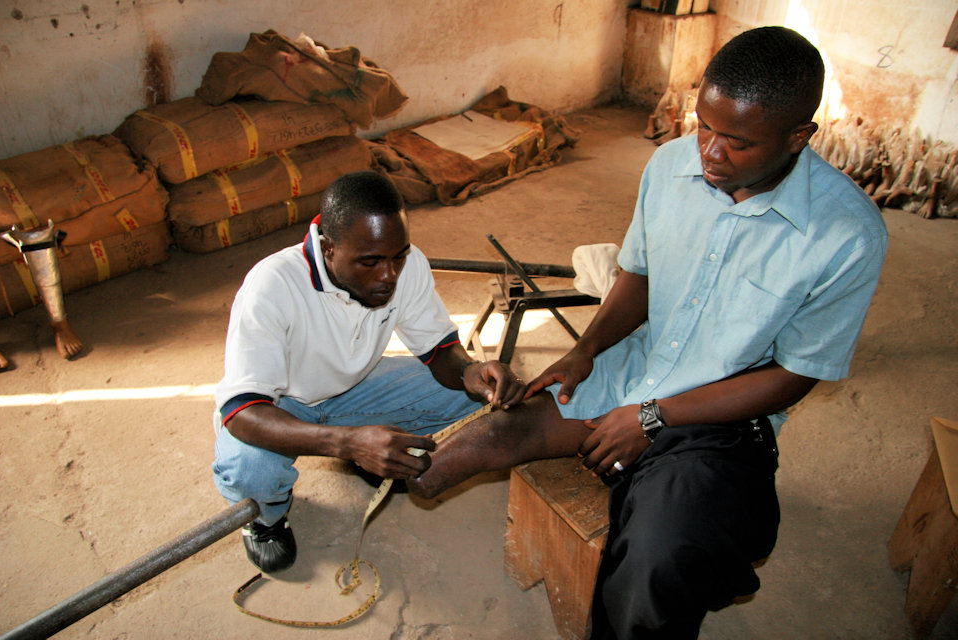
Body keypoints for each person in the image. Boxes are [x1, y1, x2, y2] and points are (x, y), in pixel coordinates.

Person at [407, 26, 888, 638]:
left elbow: (795, 375)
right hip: (640, 363)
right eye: (705, 126)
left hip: (720, 415)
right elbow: (638, 275)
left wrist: (653, 418)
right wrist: (585, 352)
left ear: (799, 137)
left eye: (735, 142)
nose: (709, 152)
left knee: (654, 568)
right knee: (485, 440)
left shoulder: (847, 235)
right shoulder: (671, 166)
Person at [212, 170, 525, 573]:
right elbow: (243, 412)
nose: (388, 275)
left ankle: (366, 450)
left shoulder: (406, 266)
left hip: (358, 388)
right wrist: (349, 443)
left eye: (398, 256)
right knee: (249, 469)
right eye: (371, 262)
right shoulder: (271, 286)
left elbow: (438, 349)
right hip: (278, 407)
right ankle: (267, 520)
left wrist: (470, 370)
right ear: (327, 249)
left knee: (482, 401)